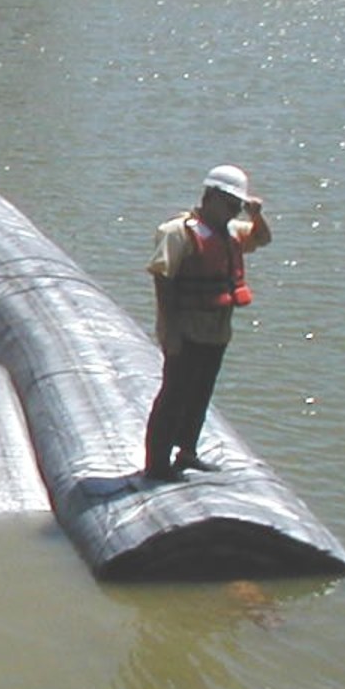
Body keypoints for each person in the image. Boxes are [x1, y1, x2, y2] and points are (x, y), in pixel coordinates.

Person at [142, 164, 271, 481]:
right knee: (174, 394)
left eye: (236, 206)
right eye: (229, 204)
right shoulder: (179, 232)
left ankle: (187, 452)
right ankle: (157, 463)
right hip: (186, 330)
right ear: (210, 197)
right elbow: (164, 278)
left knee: (200, 394)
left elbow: (263, 238)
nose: (232, 211)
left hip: (216, 331)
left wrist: (255, 214)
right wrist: (168, 329)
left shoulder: (231, 232)